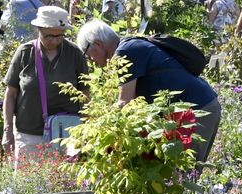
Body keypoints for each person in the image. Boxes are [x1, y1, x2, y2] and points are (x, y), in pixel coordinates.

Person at [76, 19, 221, 164]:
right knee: (179, 172)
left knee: (185, 170)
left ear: (98, 45)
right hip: (196, 107)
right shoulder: (130, 46)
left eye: (88, 55)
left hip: (197, 109)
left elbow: (125, 103)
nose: (91, 61)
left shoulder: (125, 51)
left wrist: (95, 131)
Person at [2, 6, 88, 162]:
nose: (54, 41)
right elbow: (10, 93)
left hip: (65, 134)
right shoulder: (25, 52)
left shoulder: (74, 54)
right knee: (28, 184)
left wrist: (87, 130)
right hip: (29, 134)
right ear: (39, 29)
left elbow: (85, 94)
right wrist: (7, 131)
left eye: (59, 36)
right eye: (49, 36)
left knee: (66, 183)